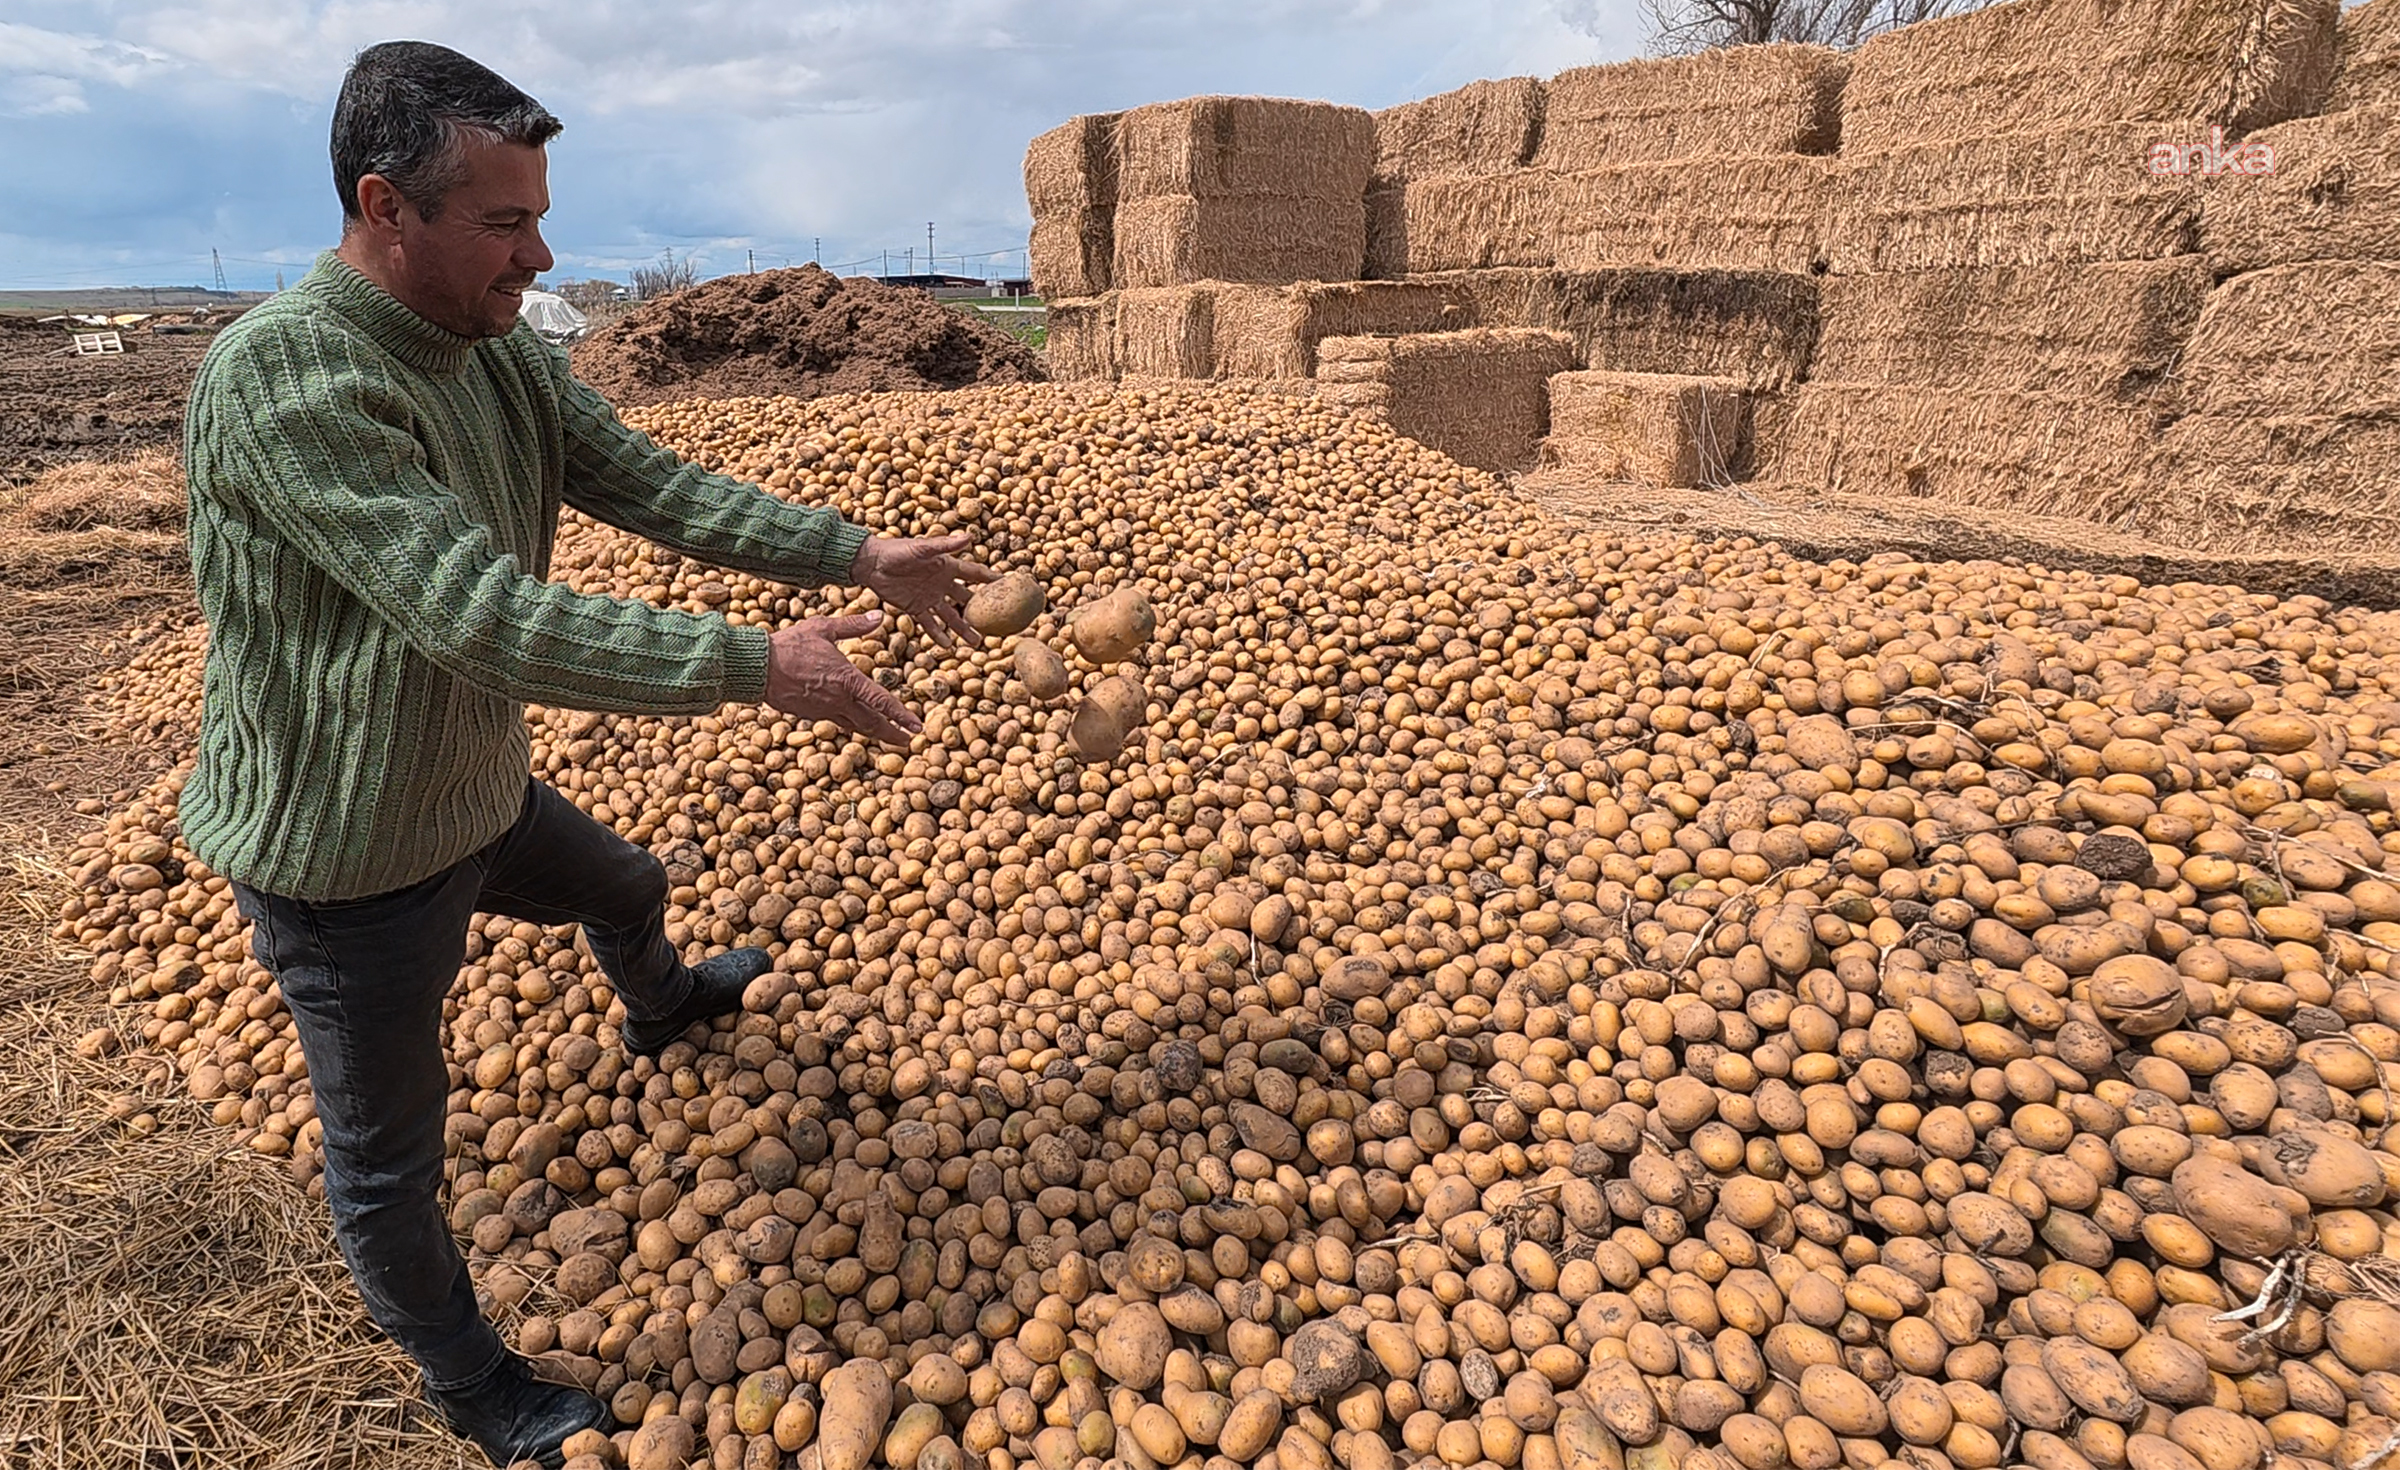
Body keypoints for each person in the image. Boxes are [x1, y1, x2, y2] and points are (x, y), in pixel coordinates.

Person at [179, 40, 993, 1469]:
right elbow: (481, 620)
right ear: (386, 207)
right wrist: (759, 663)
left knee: (625, 882)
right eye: (504, 222)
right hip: (346, 851)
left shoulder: (501, 354)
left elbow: (650, 483)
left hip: (467, 789)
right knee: (385, 1160)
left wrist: (854, 547)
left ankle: (664, 1004)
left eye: (537, 214)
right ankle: (475, 1385)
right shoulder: (288, 384)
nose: (539, 251)